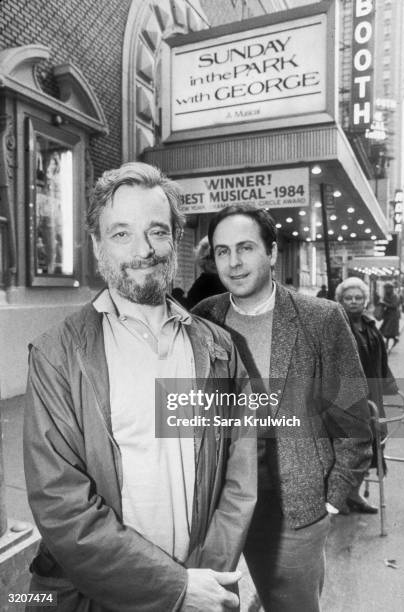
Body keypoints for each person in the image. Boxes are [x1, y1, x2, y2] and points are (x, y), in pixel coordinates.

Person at [24, 163, 257, 612]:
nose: (143, 250)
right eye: (121, 234)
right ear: (96, 246)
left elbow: (240, 474)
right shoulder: (56, 354)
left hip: (202, 586)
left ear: (175, 240)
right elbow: (60, 504)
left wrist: (206, 577)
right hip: (96, 596)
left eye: (156, 231)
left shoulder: (219, 348)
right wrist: (172, 587)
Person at [192, 204, 372, 612]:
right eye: (222, 251)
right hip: (218, 504)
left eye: (245, 248)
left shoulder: (321, 318)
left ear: (271, 253)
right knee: (216, 605)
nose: (234, 263)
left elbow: (353, 416)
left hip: (292, 507)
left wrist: (331, 497)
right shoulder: (204, 317)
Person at [335, 277, 398, 513]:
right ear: (340, 301)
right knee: (348, 450)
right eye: (348, 298)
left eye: (358, 298)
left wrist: (392, 388)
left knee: (371, 448)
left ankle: (353, 495)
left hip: (373, 397)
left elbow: (381, 360)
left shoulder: (370, 325)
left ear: (365, 300)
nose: (353, 302)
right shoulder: (336, 327)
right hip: (347, 399)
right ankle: (339, 497)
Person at [186, 236, 226, 308]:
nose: (214, 262)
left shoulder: (225, 281)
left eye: (218, 256)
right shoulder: (202, 285)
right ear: (202, 260)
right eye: (210, 257)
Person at [379, 282, 400, 350]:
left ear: (391, 288)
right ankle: (393, 341)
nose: (386, 290)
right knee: (385, 330)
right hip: (387, 315)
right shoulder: (386, 295)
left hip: (393, 316)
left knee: (388, 330)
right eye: (385, 288)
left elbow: (394, 305)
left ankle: (387, 344)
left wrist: (384, 303)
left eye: (387, 288)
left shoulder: (394, 296)